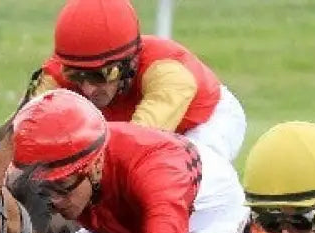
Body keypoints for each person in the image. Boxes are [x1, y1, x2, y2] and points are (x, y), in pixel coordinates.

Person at [12, 89, 247, 233]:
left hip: (203, 226)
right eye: (42, 188)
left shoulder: (158, 172)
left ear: (94, 166)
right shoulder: (83, 159)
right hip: (127, 223)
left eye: (60, 185)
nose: (53, 200)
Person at [25, 0, 246, 162]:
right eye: (75, 75)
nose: (87, 88)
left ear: (129, 63)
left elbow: (135, 146)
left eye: (100, 75)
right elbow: (23, 138)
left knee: (170, 176)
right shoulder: (56, 74)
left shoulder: (169, 74)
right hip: (127, 128)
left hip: (202, 124)